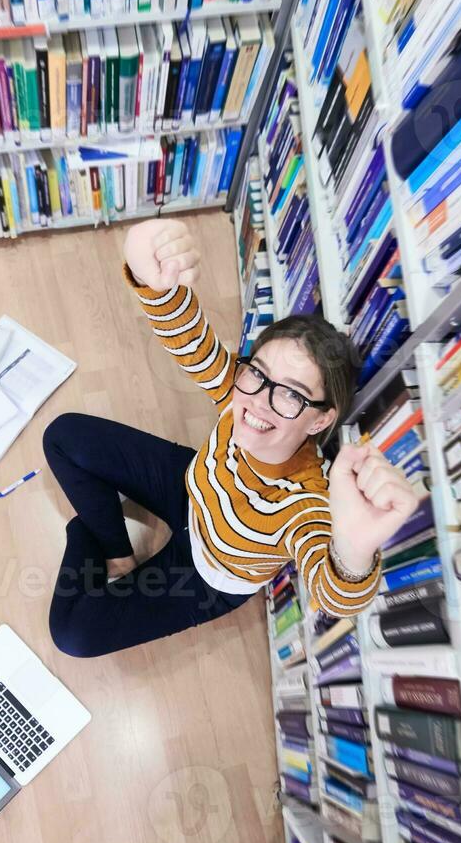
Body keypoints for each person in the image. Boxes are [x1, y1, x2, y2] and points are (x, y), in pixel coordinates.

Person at [43, 218, 425, 658]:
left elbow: (333, 596)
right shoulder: (240, 391)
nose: (260, 401)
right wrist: (151, 275)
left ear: (321, 421)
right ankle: (115, 550)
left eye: (292, 395)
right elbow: (192, 340)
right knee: (63, 435)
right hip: (193, 487)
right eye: (259, 374)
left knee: (73, 634)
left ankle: (89, 527)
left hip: (209, 574)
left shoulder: (305, 501)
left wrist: (354, 554)